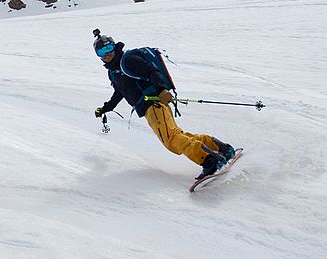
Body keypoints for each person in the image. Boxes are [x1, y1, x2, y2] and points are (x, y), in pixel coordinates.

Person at [91, 29, 236, 179]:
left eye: (108, 48)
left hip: (154, 104)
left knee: (171, 140)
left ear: (114, 46)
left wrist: (161, 90)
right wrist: (106, 108)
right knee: (178, 135)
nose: (106, 54)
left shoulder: (128, 60)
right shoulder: (113, 71)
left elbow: (152, 72)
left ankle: (209, 160)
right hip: (150, 107)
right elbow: (120, 92)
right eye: (101, 51)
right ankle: (221, 149)